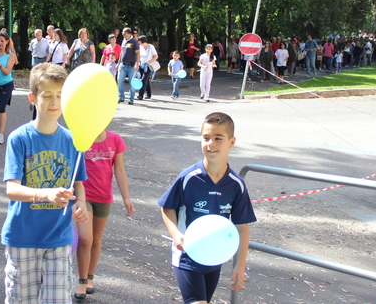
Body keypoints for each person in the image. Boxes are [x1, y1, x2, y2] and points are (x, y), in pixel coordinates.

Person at [1, 63, 88, 304]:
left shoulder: (73, 140)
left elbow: (78, 182)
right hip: (22, 238)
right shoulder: (19, 138)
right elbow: (12, 189)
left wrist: (80, 202)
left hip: (59, 238)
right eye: (47, 95)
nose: (54, 102)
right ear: (32, 98)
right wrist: (45, 194)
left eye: (60, 96)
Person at [159, 112, 256, 304]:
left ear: (231, 142)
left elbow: (242, 227)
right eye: (206, 138)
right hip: (187, 256)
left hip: (213, 259)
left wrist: (240, 265)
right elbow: (167, 208)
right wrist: (176, 234)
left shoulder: (236, 184)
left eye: (218, 138)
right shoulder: (188, 177)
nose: (210, 143)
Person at [74, 129, 135, 301]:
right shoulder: (81, 139)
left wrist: (126, 198)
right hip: (83, 197)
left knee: (96, 239)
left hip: (104, 197)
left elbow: (120, 170)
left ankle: (90, 276)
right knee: (85, 238)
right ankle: (82, 280)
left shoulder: (115, 139)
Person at [116, 27, 140, 105]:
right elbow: (121, 53)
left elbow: (138, 53)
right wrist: (118, 63)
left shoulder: (134, 41)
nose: (122, 33)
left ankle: (131, 98)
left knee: (131, 82)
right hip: (122, 65)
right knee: (120, 81)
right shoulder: (123, 41)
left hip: (131, 65)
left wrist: (137, 63)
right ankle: (121, 97)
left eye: (123, 32)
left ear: (127, 33)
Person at [136, 36, 158, 100]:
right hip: (141, 65)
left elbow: (156, 56)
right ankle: (149, 94)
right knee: (146, 80)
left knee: (143, 79)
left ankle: (140, 95)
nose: (138, 42)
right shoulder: (140, 47)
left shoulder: (151, 47)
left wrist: (150, 61)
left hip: (148, 66)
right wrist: (137, 64)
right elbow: (139, 56)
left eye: (139, 41)